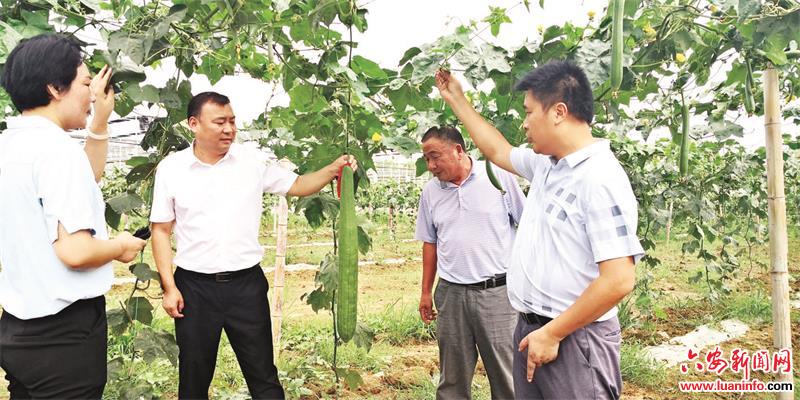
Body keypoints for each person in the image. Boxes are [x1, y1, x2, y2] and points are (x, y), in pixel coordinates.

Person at [435, 61, 644, 399]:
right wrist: (456, 99)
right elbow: (497, 150)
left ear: (559, 112)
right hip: (533, 330)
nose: (524, 122)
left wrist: (554, 333)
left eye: (530, 111)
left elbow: (619, 279)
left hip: (576, 338)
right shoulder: (549, 165)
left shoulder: (600, 178)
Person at [150, 91, 357, 399]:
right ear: (194, 124)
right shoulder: (172, 169)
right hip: (194, 289)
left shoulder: (252, 161)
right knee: (193, 376)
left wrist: (333, 169)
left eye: (232, 121)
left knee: (263, 375)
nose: (229, 129)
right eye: (219, 122)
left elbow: (297, 185)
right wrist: (170, 287)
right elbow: (161, 231)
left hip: (245, 286)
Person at [0, 34, 146, 399]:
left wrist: (99, 123)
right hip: (63, 338)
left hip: (19, 329)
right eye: (85, 84)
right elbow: (76, 252)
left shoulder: (11, 146)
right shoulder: (56, 153)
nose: (92, 94)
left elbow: (80, 186)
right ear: (54, 87)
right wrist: (120, 246)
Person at [416, 125, 525, 399]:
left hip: (497, 293)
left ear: (458, 150)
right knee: (451, 379)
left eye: (434, 156)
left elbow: (526, 225)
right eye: (426, 159)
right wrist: (426, 292)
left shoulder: (497, 176)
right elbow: (430, 244)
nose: (430, 165)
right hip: (451, 294)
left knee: (507, 375)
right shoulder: (431, 193)